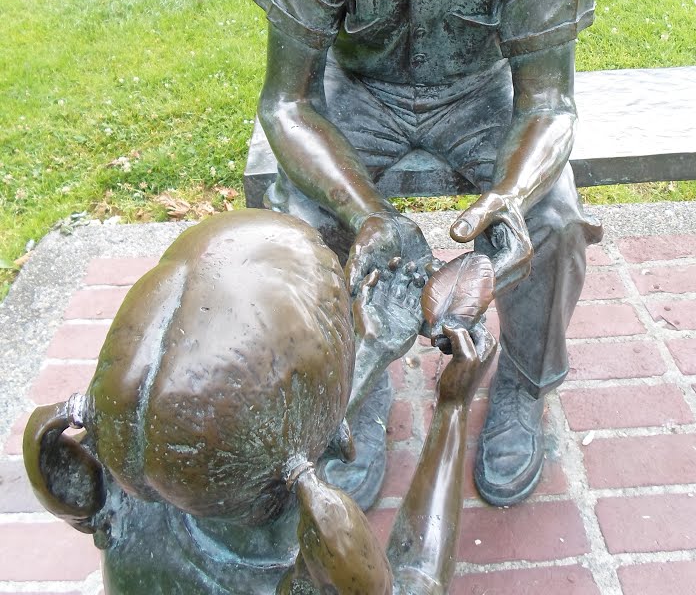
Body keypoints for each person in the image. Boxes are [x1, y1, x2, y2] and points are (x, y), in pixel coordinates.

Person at [253, 0, 603, 509]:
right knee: (299, 218)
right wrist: (366, 214)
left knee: (551, 218)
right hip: (358, 94)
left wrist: (507, 199)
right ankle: (355, 386)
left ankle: (523, 386)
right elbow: (288, 100)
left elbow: (547, 101)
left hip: (484, 95)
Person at [24, 210, 496, 595]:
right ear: (339, 440)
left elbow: (237, 430)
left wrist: (367, 351)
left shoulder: (134, 478)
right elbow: (421, 577)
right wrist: (453, 408)